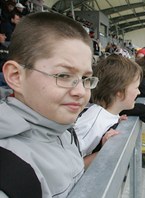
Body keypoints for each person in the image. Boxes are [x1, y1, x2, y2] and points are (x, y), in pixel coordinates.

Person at [0, 12, 97, 198]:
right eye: (63, 75)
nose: (81, 91)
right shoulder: (8, 171)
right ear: (15, 76)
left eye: (85, 78)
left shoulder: (63, 130)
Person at [74, 54, 142, 167]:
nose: (139, 92)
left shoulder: (105, 116)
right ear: (119, 92)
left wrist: (115, 123)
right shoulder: (94, 121)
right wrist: (103, 152)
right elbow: (71, 166)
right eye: (136, 88)